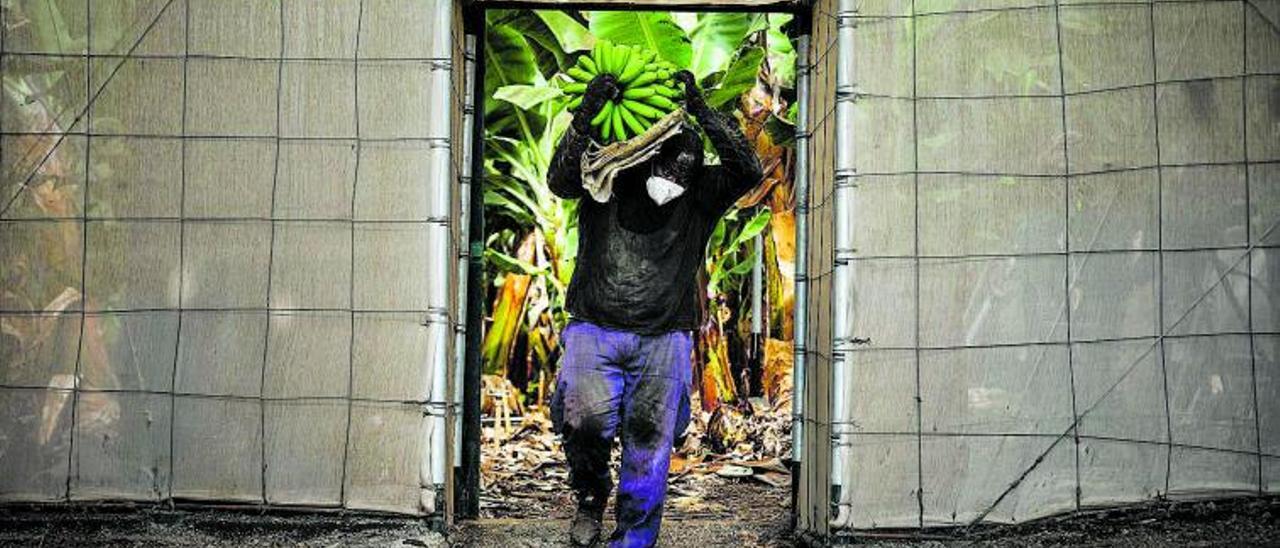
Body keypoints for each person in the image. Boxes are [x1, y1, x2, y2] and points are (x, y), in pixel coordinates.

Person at [546, 69, 763, 547]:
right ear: (648, 151)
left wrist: (702, 110)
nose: (677, 169)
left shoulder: (704, 192)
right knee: (583, 424)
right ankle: (589, 497)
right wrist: (585, 115)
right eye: (671, 158)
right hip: (593, 327)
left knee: (649, 446)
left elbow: (748, 169)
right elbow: (560, 180)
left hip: (665, 336)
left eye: (687, 158)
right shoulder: (609, 170)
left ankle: (633, 540)